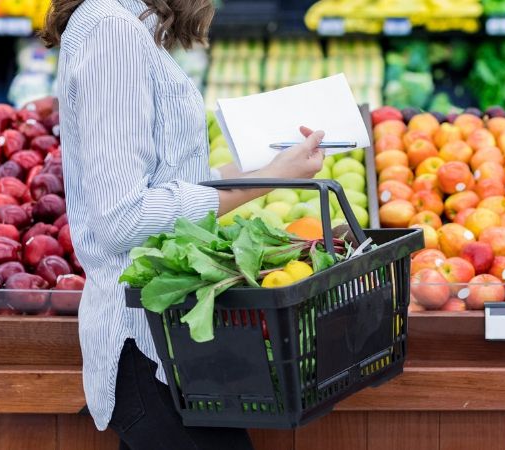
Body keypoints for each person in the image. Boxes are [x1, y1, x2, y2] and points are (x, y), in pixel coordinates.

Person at [40, 0, 325, 447]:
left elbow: (170, 186)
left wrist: (271, 170)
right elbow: (123, 217)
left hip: (173, 344)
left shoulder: (127, 26)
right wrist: (265, 184)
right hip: (145, 347)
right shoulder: (112, 32)